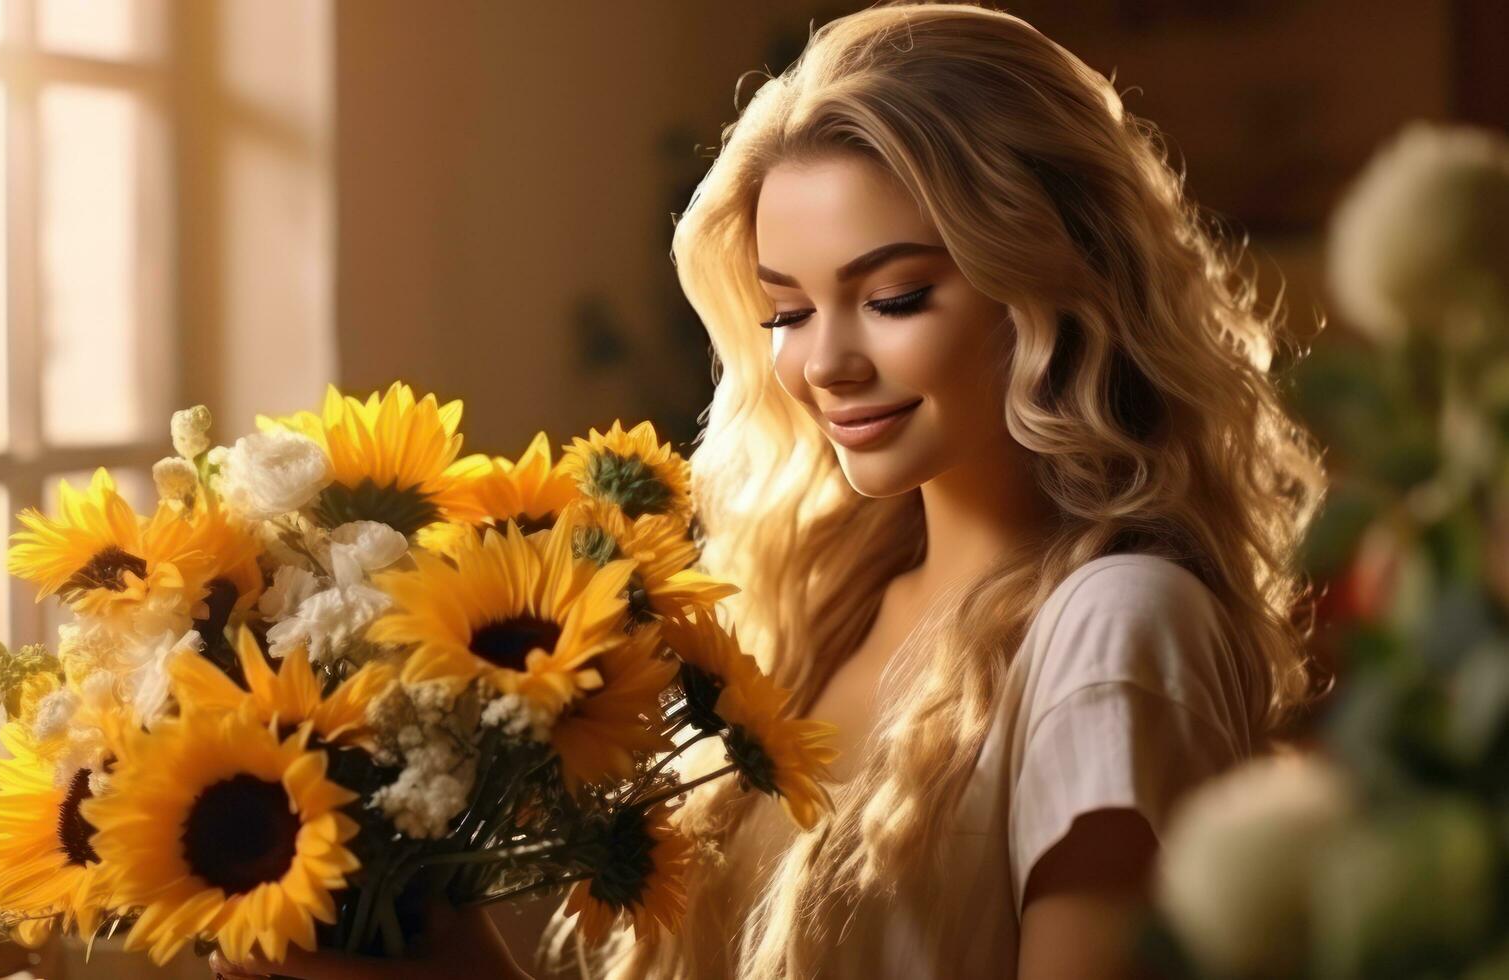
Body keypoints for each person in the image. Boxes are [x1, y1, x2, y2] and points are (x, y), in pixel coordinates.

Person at [214, 2, 1326, 977]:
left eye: (892, 296)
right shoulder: (814, 611)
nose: (823, 363)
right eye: (787, 310)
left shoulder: (1116, 629)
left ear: (1051, 286)